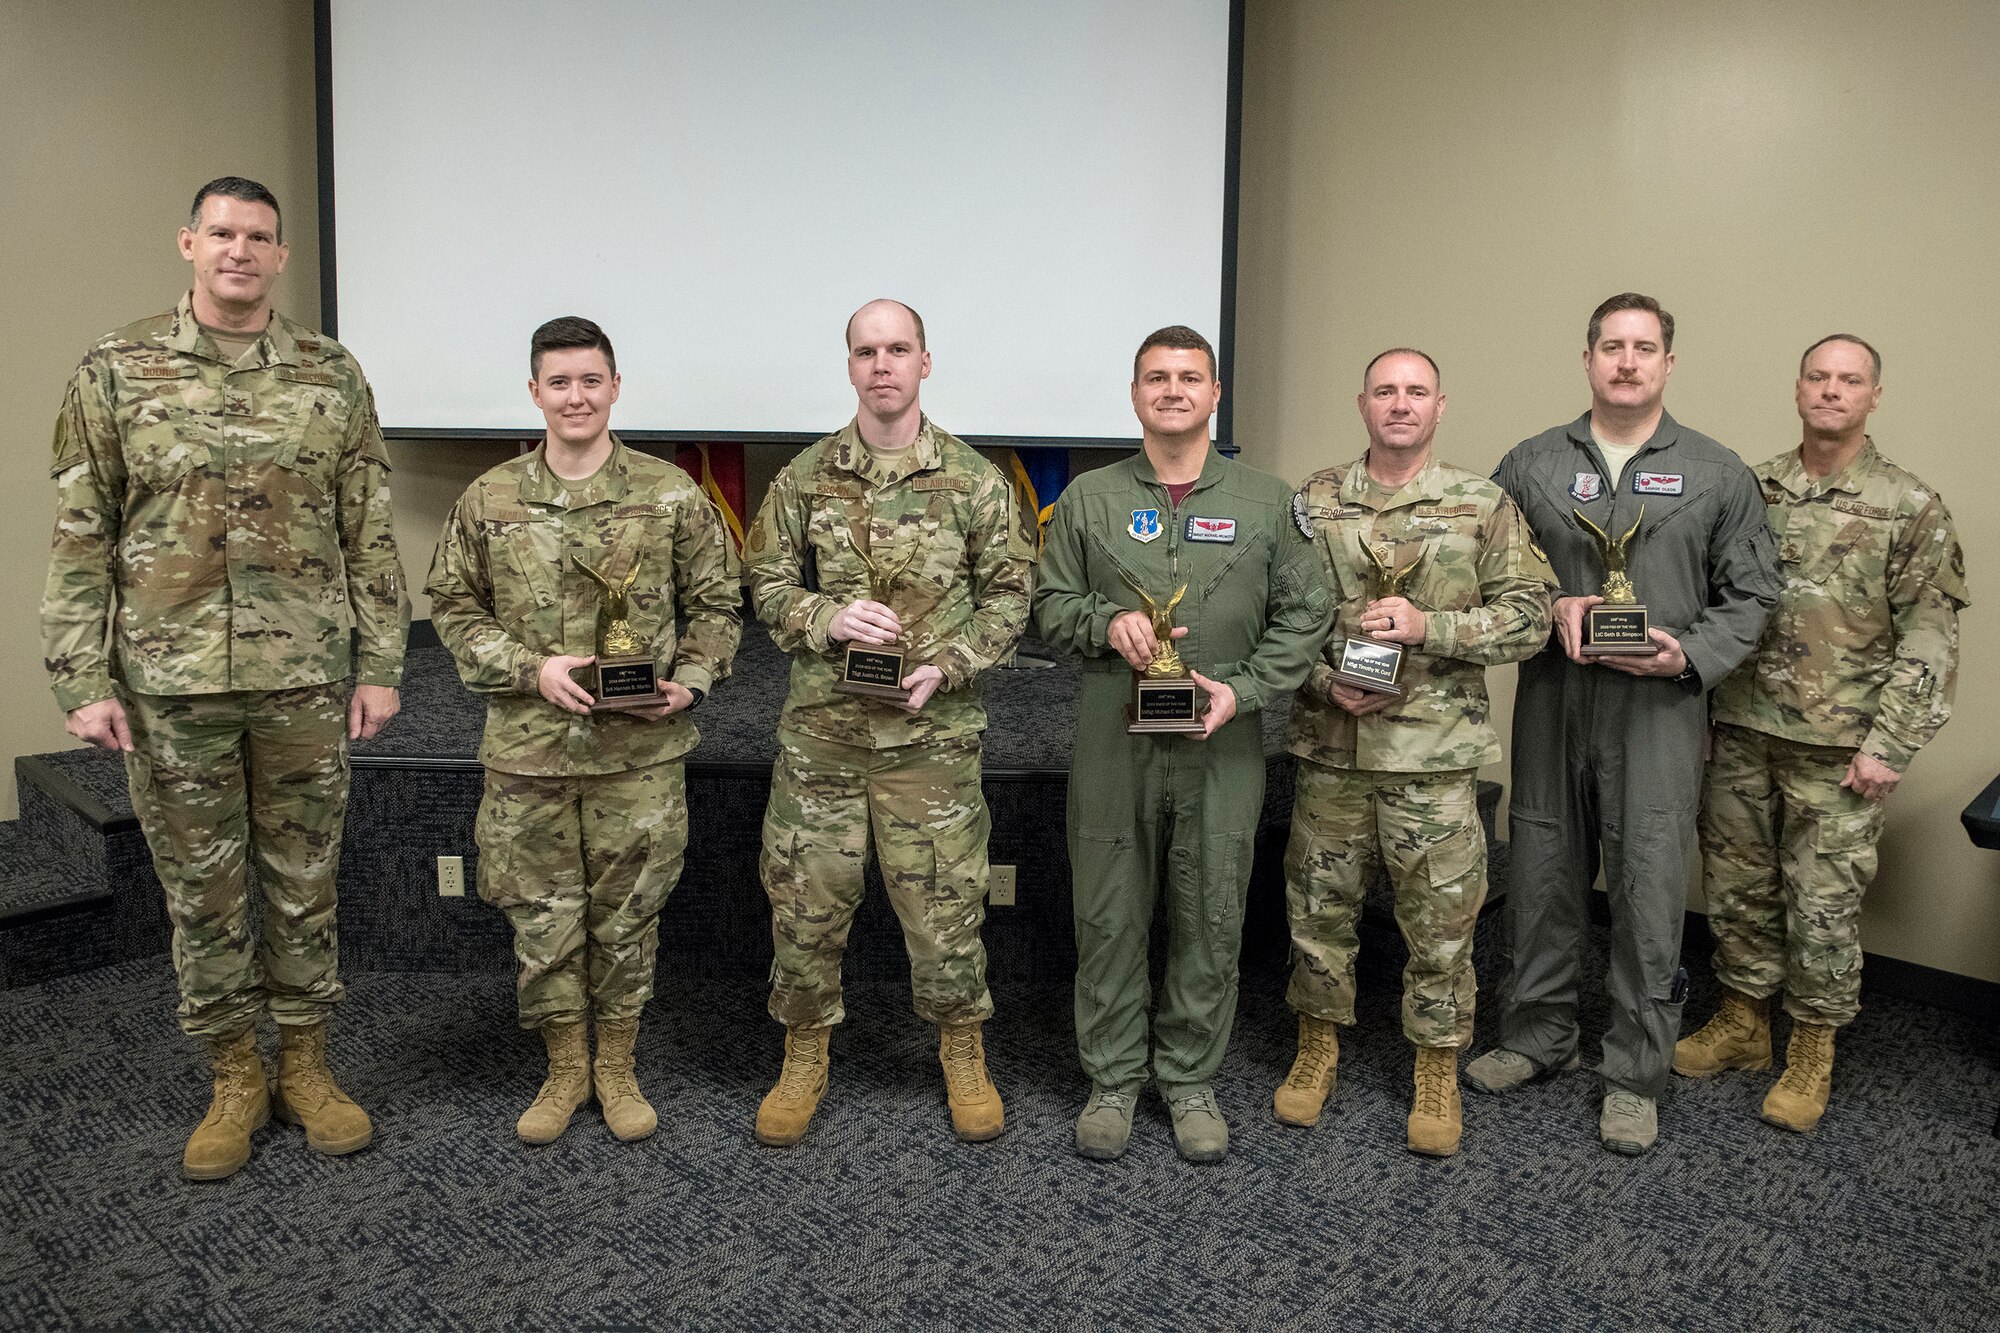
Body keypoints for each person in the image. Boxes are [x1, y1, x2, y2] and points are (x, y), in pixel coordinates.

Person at [41, 177, 409, 1179]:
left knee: (302, 879)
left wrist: (380, 661)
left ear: (280, 256)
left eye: (258, 236)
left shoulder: (331, 374)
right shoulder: (117, 369)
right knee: (201, 887)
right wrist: (82, 673)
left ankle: (307, 1065)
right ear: (188, 245)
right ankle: (232, 1072)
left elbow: (366, 529)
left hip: (302, 675)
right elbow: (83, 532)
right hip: (172, 681)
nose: (239, 250)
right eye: (221, 234)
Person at [1470, 293, 1779, 1155]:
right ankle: (1536, 1034)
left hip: (1659, 707)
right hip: (1553, 697)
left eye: (1646, 348)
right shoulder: (1530, 464)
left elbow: (1753, 599)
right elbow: (1486, 573)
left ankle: (1636, 1070)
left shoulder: (1719, 472)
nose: (1628, 361)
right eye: (1613, 346)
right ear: (1588, 358)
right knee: (1539, 864)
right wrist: (1555, 600)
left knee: (1647, 883)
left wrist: (1686, 656)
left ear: (1669, 364)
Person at [427, 317, 740, 1144]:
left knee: (629, 915)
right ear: (534, 391)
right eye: (559, 381)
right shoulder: (489, 498)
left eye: (591, 380)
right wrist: (532, 669)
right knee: (541, 915)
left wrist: (695, 680)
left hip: (636, 754)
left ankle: (618, 1065)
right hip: (529, 755)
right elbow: (453, 607)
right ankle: (566, 1065)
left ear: (615, 387)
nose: (576, 396)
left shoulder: (671, 495)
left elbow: (717, 604)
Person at [1033, 325, 1331, 1163]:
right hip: (1111, 737)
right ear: (1134, 394)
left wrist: (1246, 688)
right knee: (1109, 910)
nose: (1173, 390)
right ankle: (1114, 1079)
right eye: (1156, 377)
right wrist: (1103, 620)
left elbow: (1307, 613)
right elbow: (1046, 607)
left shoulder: (1270, 503)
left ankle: (1191, 1079)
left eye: (1189, 377)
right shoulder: (1088, 499)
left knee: (1211, 912)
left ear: (1215, 392)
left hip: (1222, 738)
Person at [742, 299, 1034, 1147]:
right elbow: (763, 585)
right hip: (824, 739)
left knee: (945, 905)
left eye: (897, 348)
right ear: (850, 367)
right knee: (805, 902)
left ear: (925, 363)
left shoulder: (976, 481)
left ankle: (961, 1049)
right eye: (866, 351)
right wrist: (824, 619)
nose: (882, 365)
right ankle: (803, 1052)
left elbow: (1012, 599)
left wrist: (952, 664)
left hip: (930, 740)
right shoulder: (802, 479)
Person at [1675, 334, 1966, 1133]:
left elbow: (1931, 638)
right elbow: (1712, 605)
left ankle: (1812, 1047)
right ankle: (1742, 1022)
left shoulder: (1910, 505)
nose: (1832, 390)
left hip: (1841, 746)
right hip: (1738, 727)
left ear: (1874, 395)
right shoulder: (1754, 487)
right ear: (1797, 387)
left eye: (1851, 380)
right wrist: (1697, 705)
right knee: (1737, 889)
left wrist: (1890, 745)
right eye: (1818, 376)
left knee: (1823, 903)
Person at [1279, 349, 1552, 1156]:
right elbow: (1278, 618)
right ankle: (1317, 1044)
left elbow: (1532, 618)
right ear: (1362, 403)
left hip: (1432, 758)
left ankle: (1436, 1064)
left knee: (1442, 922)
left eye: (1417, 392)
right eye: (1386, 391)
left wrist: (1434, 627)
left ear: (1440, 407)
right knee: (1317, 913)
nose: (1401, 404)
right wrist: (1325, 679)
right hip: (1333, 749)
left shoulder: (1481, 502)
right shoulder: (1313, 503)